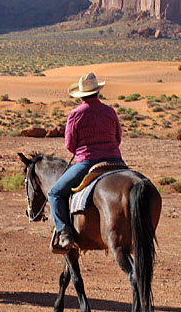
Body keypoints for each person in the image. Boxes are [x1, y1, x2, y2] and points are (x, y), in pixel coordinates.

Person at [48, 72, 124, 249]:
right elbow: (118, 138)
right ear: (98, 92)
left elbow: (69, 144)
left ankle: (64, 234)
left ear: (81, 95)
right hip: (116, 161)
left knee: (55, 193)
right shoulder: (110, 111)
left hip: (88, 162)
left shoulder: (76, 114)